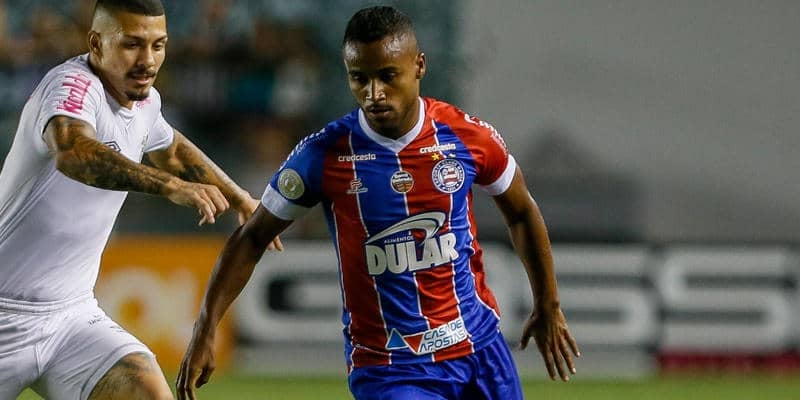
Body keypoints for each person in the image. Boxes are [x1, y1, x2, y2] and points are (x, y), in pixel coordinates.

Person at [177, 5, 579, 400]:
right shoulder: (323, 155)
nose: (374, 93)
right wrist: (205, 328)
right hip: (390, 368)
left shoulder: (467, 137)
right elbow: (251, 238)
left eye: (387, 76)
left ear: (419, 66)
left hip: (479, 348)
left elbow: (521, 211)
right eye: (360, 78)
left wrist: (548, 303)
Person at [0, 0, 281, 399]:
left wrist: (240, 198)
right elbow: (73, 152)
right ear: (96, 44)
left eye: (158, 45)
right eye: (132, 44)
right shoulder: (71, 87)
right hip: (4, 314)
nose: (147, 60)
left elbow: (172, 148)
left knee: (148, 390)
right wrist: (170, 186)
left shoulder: (145, 101)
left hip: (71, 319)